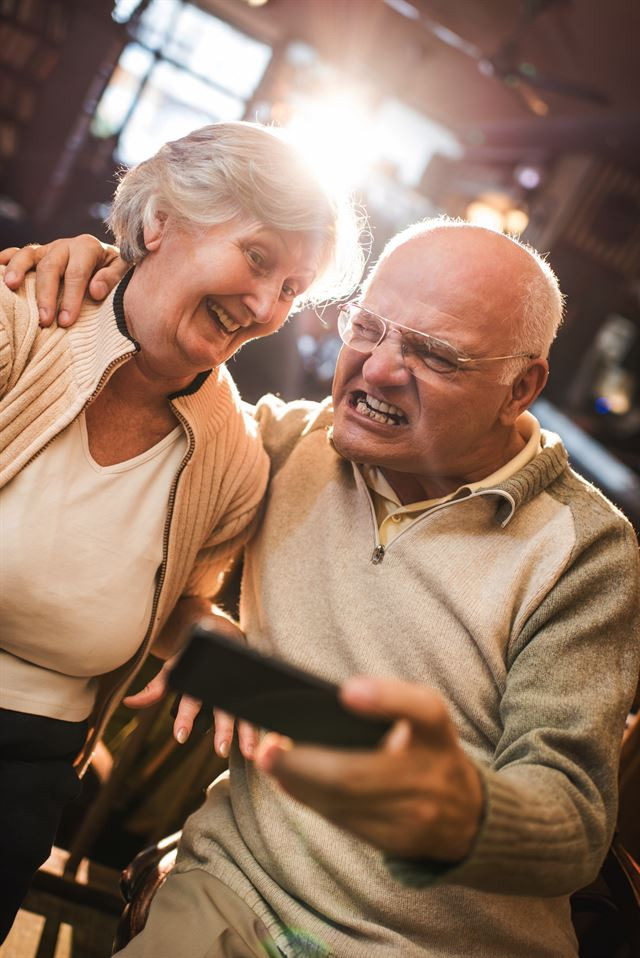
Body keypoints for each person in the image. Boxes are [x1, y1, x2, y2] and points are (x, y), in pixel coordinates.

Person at [3, 219, 639, 957]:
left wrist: (458, 811)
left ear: (520, 386)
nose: (378, 369)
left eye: (433, 355)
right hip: (236, 894)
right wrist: (100, 271)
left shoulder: (584, 550)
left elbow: (574, 826)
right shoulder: (280, 449)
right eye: (366, 327)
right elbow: (143, 387)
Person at [0, 120, 363, 943]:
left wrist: (238, 655)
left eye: (293, 290)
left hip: (28, 765)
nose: (267, 306)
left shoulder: (231, 458)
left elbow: (170, 608)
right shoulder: (19, 319)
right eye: (259, 258)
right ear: (159, 222)